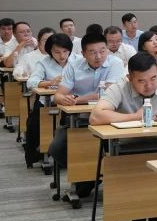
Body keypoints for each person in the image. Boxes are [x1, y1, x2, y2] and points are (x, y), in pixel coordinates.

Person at [90, 52, 157, 221]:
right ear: (129, 78)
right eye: (141, 81)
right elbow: (96, 116)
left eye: (153, 78)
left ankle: (156, 214)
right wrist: (136, 117)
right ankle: (140, 214)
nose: (149, 85)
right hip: (126, 148)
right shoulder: (119, 88)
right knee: (136, 177)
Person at [51, 31, 125, 200]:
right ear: (83, 53)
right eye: (92, 52)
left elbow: (107, 94)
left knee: (114, 151)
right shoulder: (73, 66)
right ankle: (89, 174)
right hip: (77, 119)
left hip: (107, 120)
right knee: (56, 149)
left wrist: (78, 99)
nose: (98, 56)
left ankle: (91, 178)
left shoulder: (116, 64)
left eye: (102, 51)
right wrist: (65, 98)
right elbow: (58, 95)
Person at [22, 33, 76, 168]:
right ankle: (37, 155)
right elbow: (31, 82)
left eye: (65, 51)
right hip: (48, 102)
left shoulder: (78, 60)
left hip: (72, 103)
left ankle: (68, 158)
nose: (62, 55)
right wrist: (49, 83)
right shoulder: (44, 62)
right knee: (33, 124)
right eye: (57, 52)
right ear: (50, 51)